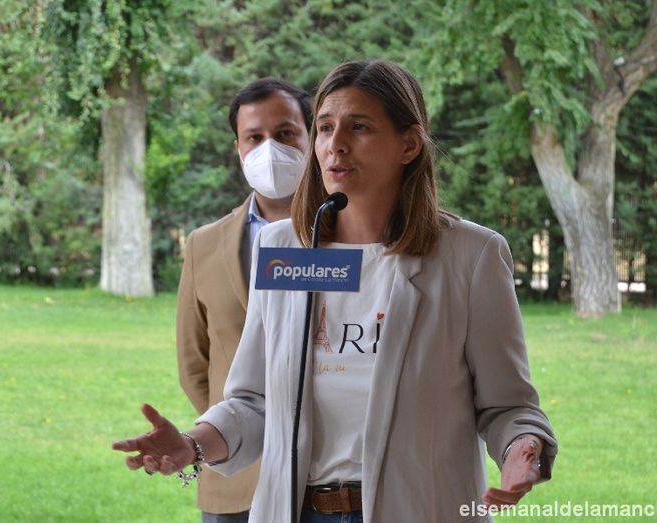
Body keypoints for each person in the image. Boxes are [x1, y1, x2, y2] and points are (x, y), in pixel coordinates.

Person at [114, 60, 557, 523]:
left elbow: (509, 405)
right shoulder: (284, 248)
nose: (335, 145)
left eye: (358, 127)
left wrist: (521, 447)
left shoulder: (470, 255)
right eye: (324, 128)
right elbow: (254, 401)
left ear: (409, 144)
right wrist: (192, 444)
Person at [175, 78, 312, 522]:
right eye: (255, 137)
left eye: (286, 133)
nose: (270, 148)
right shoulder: (204, 245)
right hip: (234, 480)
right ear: (238, 147)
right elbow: (194, 364)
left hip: (325, 479)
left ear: (312, 138)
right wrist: (232, 435)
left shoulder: (353, 236)